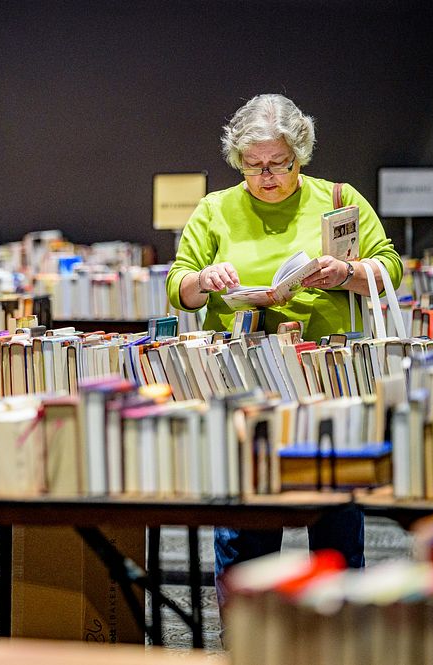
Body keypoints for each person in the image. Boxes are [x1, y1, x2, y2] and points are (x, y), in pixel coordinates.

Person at [165, 94, 403, 592]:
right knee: (246, 519)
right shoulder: (216, 208)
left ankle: (334, 632)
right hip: (245, 379)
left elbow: (391, 269)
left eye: (280, 163)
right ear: (238, 162)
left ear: (301, 154)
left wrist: (346, 272)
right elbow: (178, 284)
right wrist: (205, 280)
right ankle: (248, 636)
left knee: (335, 517)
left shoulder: (339, 199)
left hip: (327, 377)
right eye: (254, 167)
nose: (267, 176)